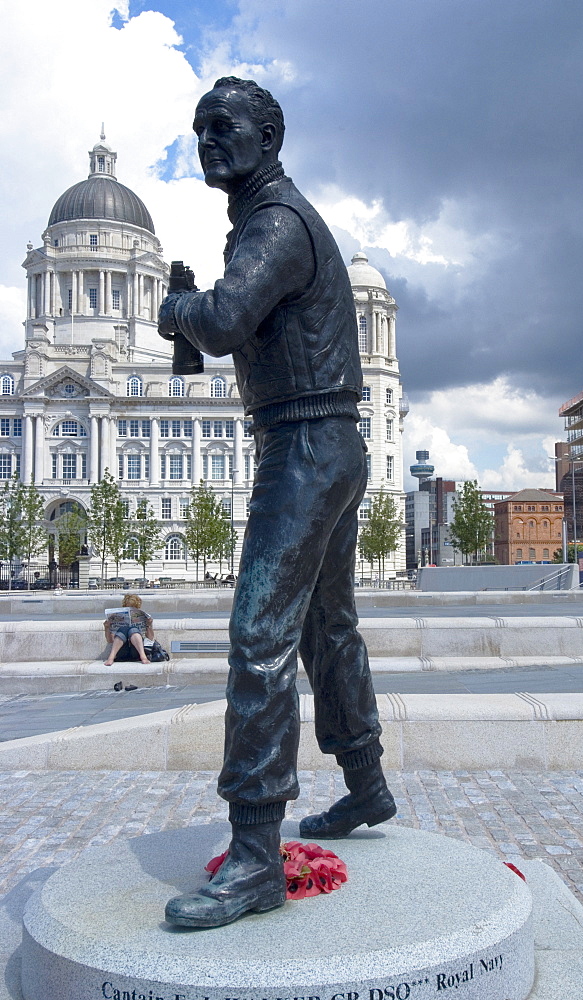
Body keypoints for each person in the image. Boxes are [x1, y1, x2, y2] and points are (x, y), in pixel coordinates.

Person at [158, 76, 396, 929]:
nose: (208, 141)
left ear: (269, 136)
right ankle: (366, 787)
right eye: (198, 130)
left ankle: (256, 857)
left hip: (304, 448)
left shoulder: (275, 223)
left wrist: (175, 307)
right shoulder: (268, 222)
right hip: (322, 445)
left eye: (224, 127)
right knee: (329, 628)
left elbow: (222, 321)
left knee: (260, 639)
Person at [103, 593, 154, 666]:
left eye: (133, 608)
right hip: (122, 651)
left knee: (133, 630)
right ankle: (111, 658)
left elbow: (150, 638)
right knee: (123, 629)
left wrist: (149, 625)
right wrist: (107, 628)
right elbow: (110, 641)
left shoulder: (145, 619)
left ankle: (143, 656)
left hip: (136, 651)